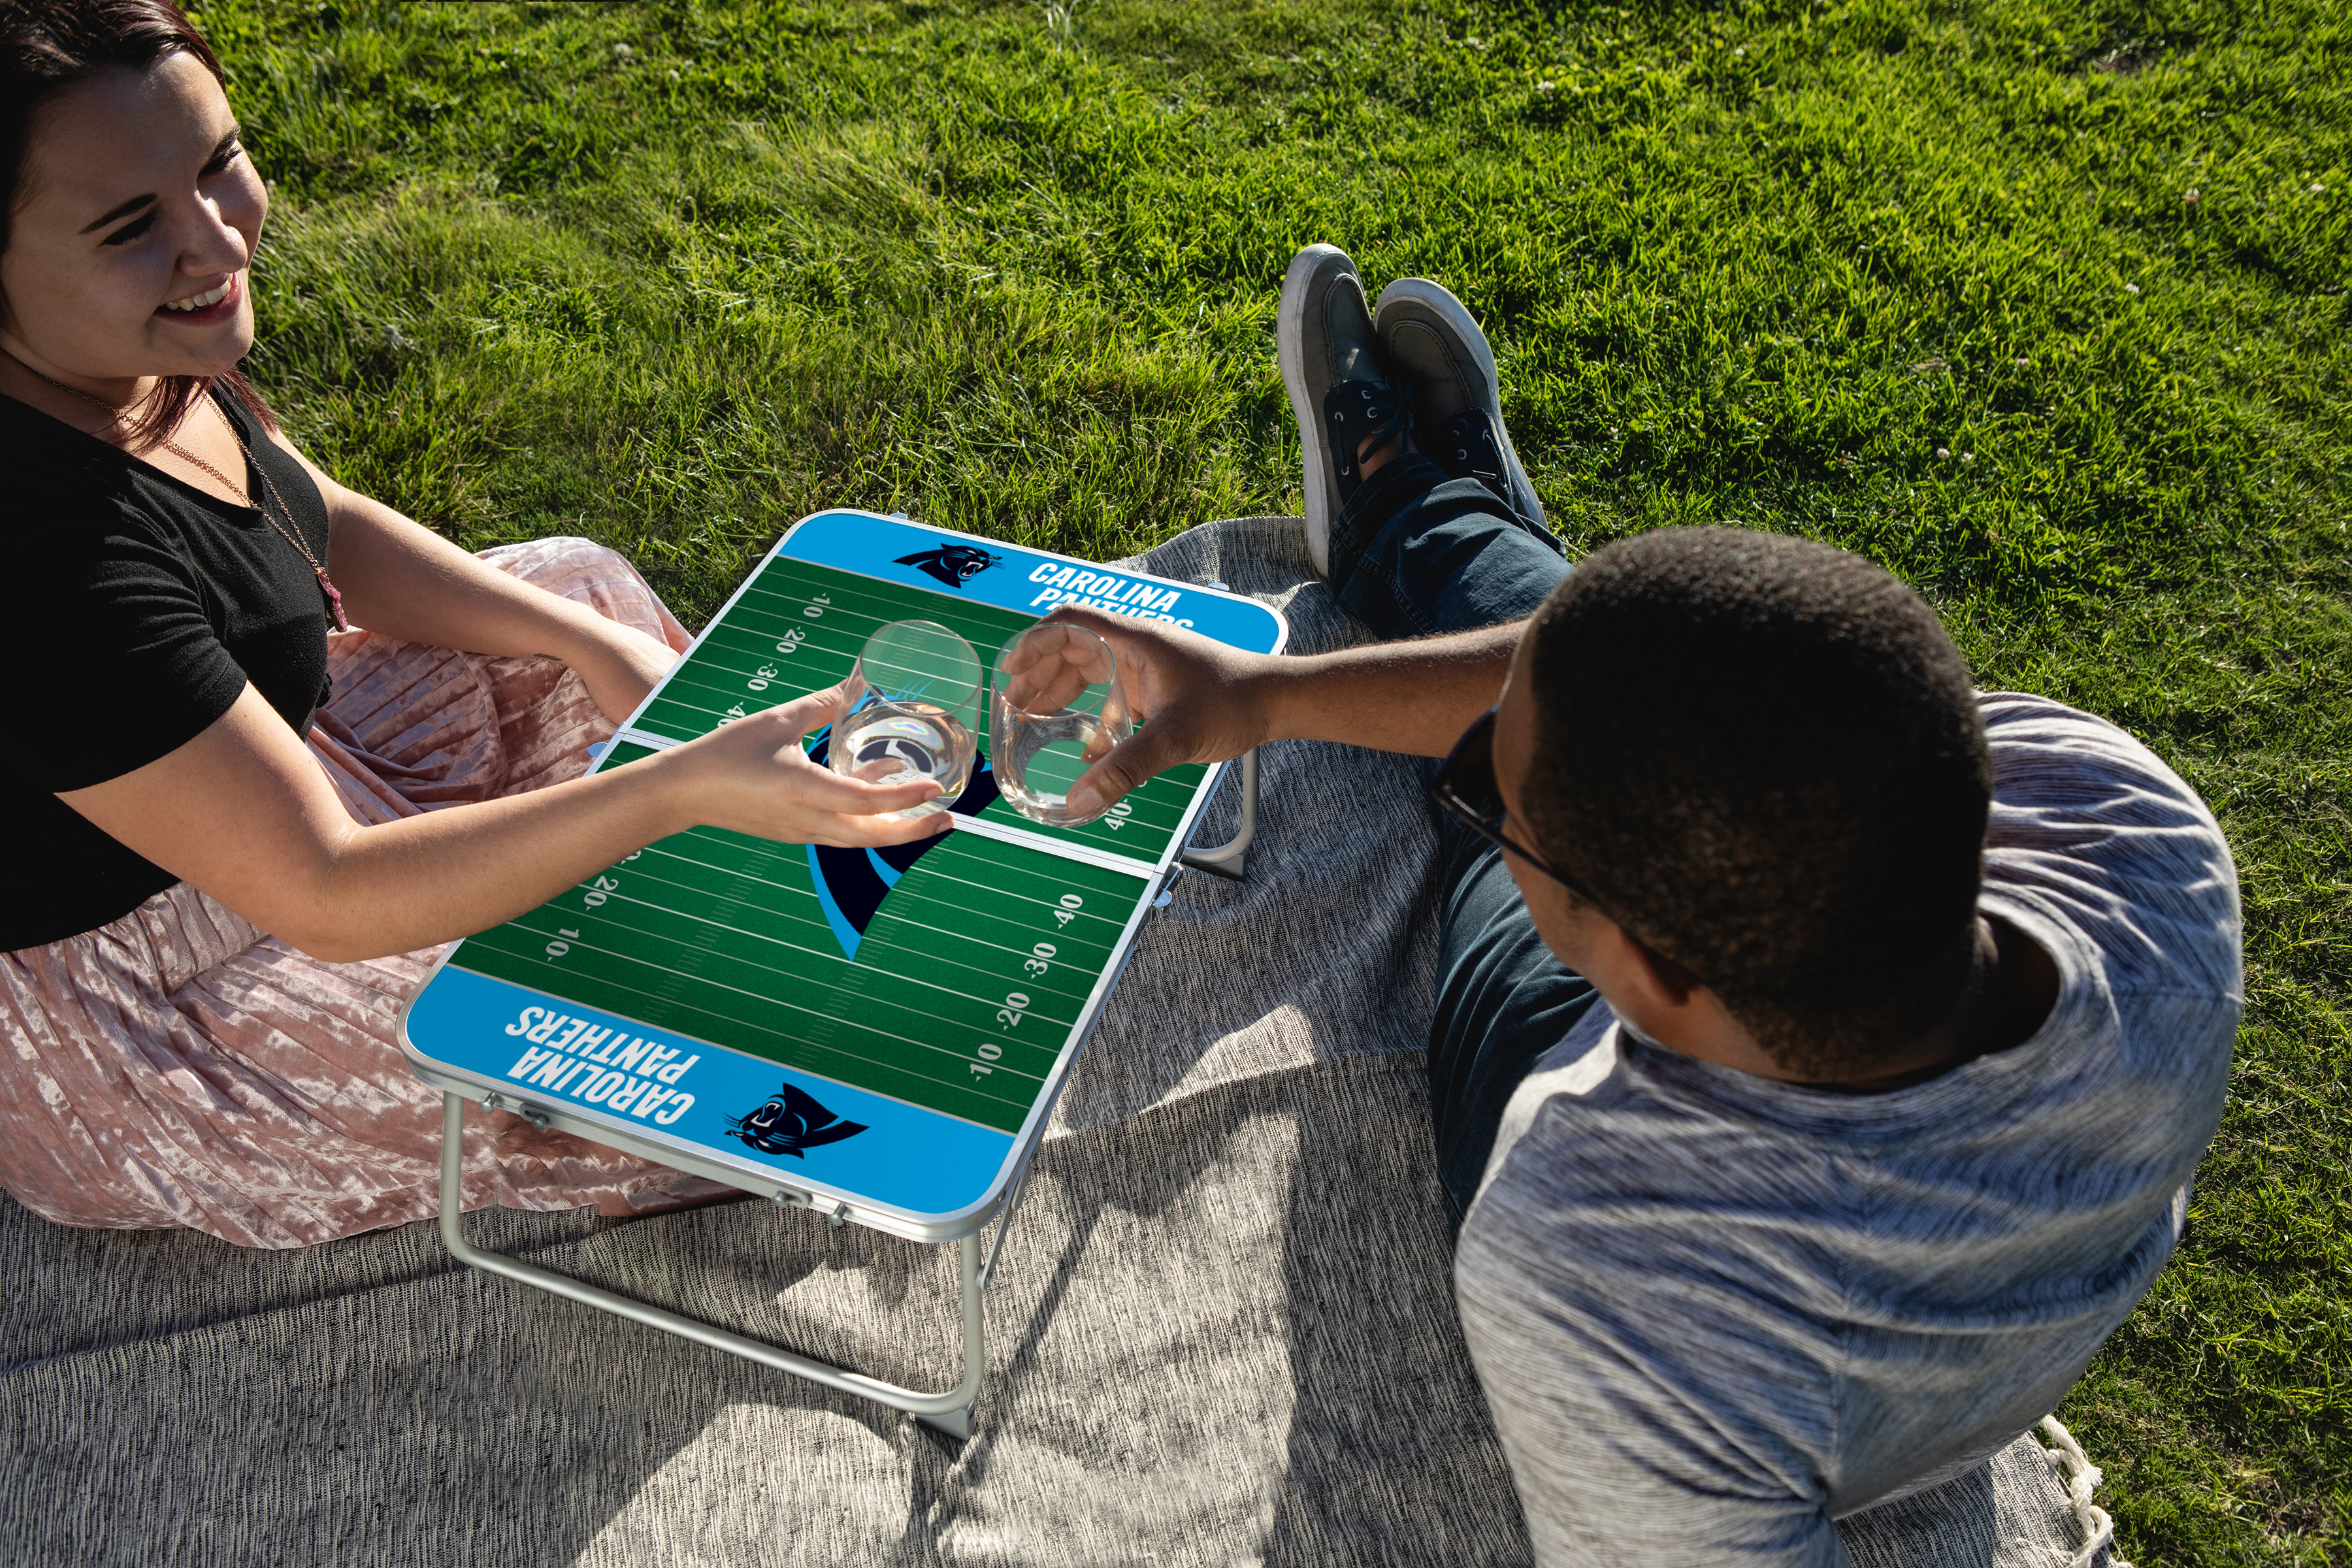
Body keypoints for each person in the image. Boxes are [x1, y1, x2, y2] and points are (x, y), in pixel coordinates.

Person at [1048, 243, 2240, 1564]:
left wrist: (1449, 753)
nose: (1479, 805)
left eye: (1496, 809)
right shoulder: (2133, 826)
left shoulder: (1603, 1263)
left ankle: (1428, 521)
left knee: (1539, 766)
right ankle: (1444, 526)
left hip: (1572, 1075)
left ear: (1645, 971)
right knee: (1625, 671)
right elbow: (1711, 693)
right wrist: (1259, 698)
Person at [0, 0, 945, 1248]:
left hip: (285, 774)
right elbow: (327, 892)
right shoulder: (41, 553)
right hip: (163, 1002)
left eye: (219, 161)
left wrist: (587, 645)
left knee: (575, 588)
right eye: (132, 226)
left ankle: (734, 835)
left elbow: (308, 518)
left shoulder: (121, 354)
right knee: (656, 1051)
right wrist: (671, 792)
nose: (217, 237)